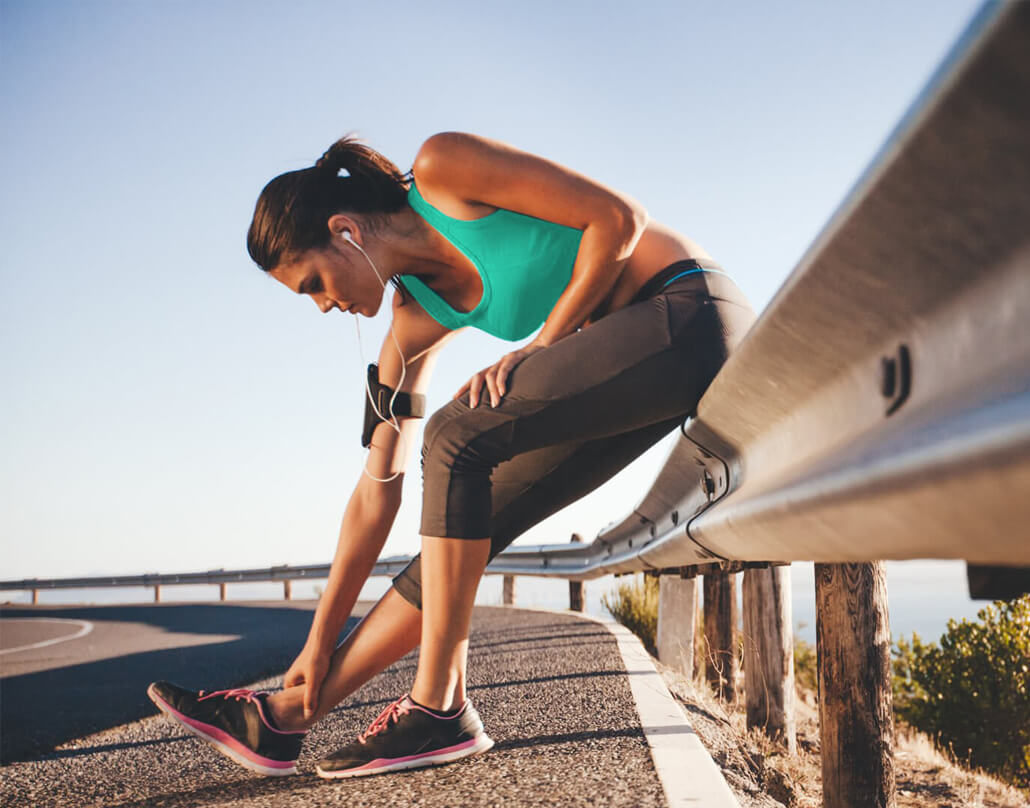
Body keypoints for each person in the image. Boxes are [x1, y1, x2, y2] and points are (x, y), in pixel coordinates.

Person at [147, 131, 757, 779]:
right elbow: (375, 491)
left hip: (689, 310)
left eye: (314, 284)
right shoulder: (413, 321)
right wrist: (318, 641)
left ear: (344, 230)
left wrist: (542, 345)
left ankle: (438, 705)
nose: (324, 304)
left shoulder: (444, 170)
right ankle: (285, 716)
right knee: (459, 529)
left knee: (452, 435)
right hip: (634, 367)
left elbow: (619, 219)